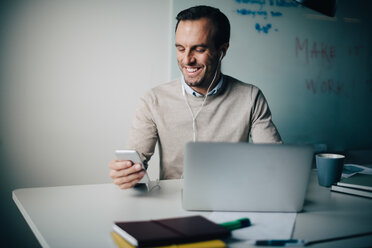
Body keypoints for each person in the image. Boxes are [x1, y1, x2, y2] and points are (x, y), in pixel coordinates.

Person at [109, 5, 282, 189]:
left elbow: (276, 163)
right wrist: (127, 173)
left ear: (222, 50)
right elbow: (134, 163)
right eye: (181, 49)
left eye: (198, 49)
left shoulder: (250, 97)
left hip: (232, 198)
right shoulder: (153, 100)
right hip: (173, 203)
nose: (187, 60)